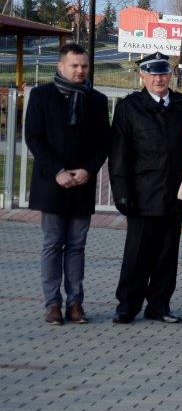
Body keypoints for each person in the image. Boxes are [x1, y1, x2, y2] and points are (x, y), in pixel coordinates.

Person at [108, 52, 182, 325]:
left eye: (163, 73)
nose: (158, 79)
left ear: (170, 76)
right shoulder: (129, 108)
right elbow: (119, 156)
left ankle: (159, 305)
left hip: (174, 192)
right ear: (142, 76)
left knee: (167, 254)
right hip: (141, 193)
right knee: (137, 253)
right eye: (153, 74)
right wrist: (122, 193)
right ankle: (127, 305)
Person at [24, 43, 110, 325]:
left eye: (84, 66)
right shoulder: (41, 95)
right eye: (74, 65)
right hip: (52, 182)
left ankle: (75, 303)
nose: (80, 70)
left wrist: (87, 170)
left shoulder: (96, 100)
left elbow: (104, 142)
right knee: (52, 243)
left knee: (77, 245)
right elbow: (34, 137)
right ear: (61, 66)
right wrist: (58, 170)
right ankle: (52, 304)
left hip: (82, 183)